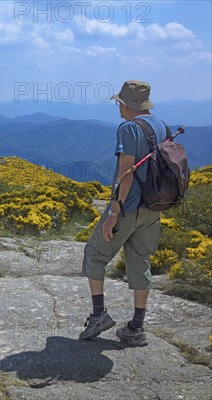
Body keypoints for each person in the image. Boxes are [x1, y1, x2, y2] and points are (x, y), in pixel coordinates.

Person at [79, 80, 166, 346]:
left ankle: (98, 315)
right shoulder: (161, 125)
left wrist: (114, 212)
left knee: (94, 254)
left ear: (127, 104)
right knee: (140, 261)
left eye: (120, 103)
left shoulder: (128, 128)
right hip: (153, 207)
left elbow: (125, 174)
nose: (118, 108)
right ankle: (136, 328)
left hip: (128, 207)